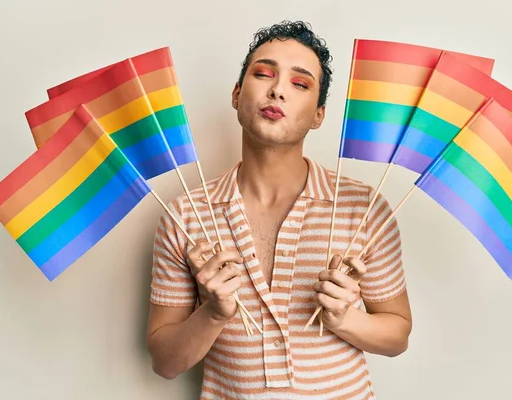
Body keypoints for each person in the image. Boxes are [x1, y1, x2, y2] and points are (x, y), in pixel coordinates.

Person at [146, 20, 412, 399]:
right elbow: (164, 363)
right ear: (237, 95)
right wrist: (213, 314)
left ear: (319, 115)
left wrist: (345, 318)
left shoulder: (365, 209)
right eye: (263, 74)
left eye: (300, 84)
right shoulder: (184, 216)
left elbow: (397, 335)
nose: (277, 90)